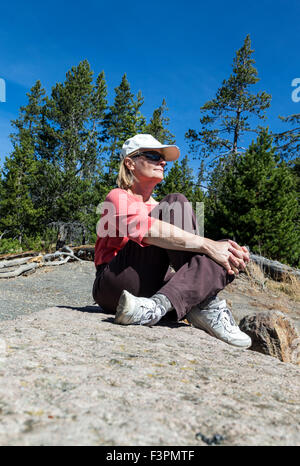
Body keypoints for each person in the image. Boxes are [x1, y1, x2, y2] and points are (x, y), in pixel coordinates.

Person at [92, 134, 252, 349]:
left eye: (162, 158)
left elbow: (194, 255)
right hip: (115, 283)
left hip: (149, 288)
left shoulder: (160, 207)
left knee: (225, 247)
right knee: (177, 203)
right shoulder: (118, 197)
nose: (163, 162)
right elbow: (146, 230)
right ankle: (203, 304)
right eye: (153, 156)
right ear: (130, 163)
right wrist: (207, 245)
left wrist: (222, 249)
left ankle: (157, 307)